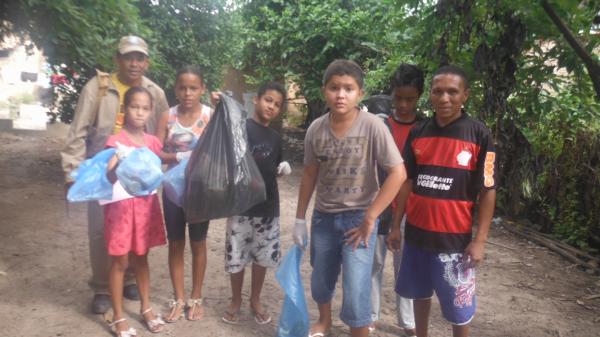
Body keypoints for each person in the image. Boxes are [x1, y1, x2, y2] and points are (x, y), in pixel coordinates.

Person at [293, 59, 407, 337]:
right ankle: (324, 321)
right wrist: (299, 218)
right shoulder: (315, 130)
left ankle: (358, 331)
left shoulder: (373, 127)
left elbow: (398, 173)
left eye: (348, 88)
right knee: (320, 278)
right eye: (334, 88)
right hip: (323, 217)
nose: (340, 94)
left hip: (359, 221)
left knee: (357, 287)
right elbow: (309, 175)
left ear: (360, 93)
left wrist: (372, 216)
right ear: (324, 91)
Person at [61, 35, 169, 314]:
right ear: (117, 59)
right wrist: (72, 171)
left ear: (147, 62)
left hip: (139, 178)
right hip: (104, 173)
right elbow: (78, 131)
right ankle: (100, 286)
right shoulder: (98, 88)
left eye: (140, 58)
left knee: (136, 228)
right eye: (128, 57)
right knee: (101, 231)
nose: (134, 63)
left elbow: (161, 130)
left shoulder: (154, 92)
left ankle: (130, 277)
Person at [388, 65, 497, 337]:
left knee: (458, 307)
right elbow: (407, 182)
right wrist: (394, 225)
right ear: (430, 95)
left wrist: (480, 240)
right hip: (416, 238)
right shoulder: (419, 133)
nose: (444, 98)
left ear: (465, 95)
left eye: (452, 92)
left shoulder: (480, 135)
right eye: (438, 92)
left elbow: (488, 189)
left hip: (455, 243)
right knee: (419, 295)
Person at [221, 82, 291, 325]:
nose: (271, 106)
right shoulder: (240, 128)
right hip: (241, 206)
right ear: (256, 100)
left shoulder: (275, 137)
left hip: (268, 207)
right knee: (237, 256)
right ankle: (236, 300)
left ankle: (255, 299)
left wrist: (282, 169)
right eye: (268, 100)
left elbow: (276, 167)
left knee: (262, 258)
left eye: (277, 104)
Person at [104, 87, 167, 336]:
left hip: (144, 209)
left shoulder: (153, 143)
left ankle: (145, 307)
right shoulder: (115, 141)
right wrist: (117, 161)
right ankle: (118, 317)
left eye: (144, 108)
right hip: (120, 210)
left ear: (150, 111)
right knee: (120, 260)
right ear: (125, 109)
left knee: (142, 257)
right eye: (134, 106)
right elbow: (108, 178)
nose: (139, 112)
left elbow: (155, 175)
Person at [155, 66, 214, 322]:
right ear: (175, 89)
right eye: (182, 87)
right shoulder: (167, 116)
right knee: (176, 242)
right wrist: (176, 156)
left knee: (198, 243)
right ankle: (179, 299)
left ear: (202, 89)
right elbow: (155, 151)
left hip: (200, 190)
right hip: (171, 191)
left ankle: (196, 298)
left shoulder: (210, 116)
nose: (187, 93)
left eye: (193, 88)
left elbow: (221, 149)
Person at [370, 64, 424, 337]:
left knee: (405, 268)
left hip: (412, 210)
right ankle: (370, 315)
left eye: (410, 98)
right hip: (379, 207)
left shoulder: (427, 129)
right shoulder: (380, 126)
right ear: (391, 94)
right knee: (374, 263)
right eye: (398, 97)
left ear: (419, 96)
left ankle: (408, 321)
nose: (403, 104)